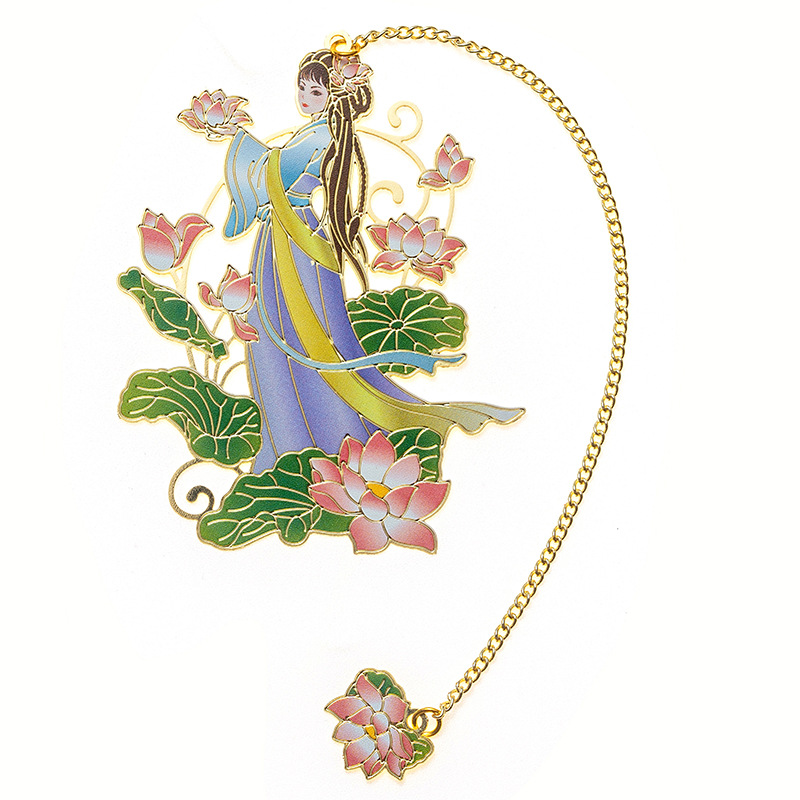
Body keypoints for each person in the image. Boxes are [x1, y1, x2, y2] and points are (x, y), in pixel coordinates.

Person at [223, 49, 521, 474]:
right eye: (302, 88)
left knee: (298, 335)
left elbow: (274, 173)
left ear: (335, 97)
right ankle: (289, 436)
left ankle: (312, 437)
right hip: (288, 234)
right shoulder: (321, 132)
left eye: (315, 91)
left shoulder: (320, 135)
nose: (304, 96)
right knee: (282, 330)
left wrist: (238, 141)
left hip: (294, 240)